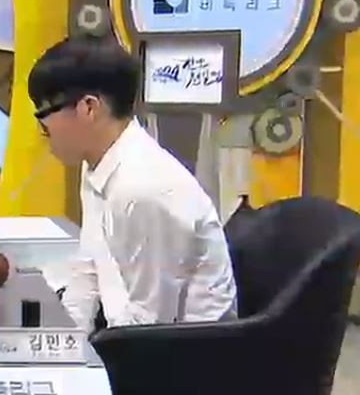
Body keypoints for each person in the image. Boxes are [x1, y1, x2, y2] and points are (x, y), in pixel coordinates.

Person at [28, 36, 237, 329]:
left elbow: (152, 324)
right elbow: (88, 268)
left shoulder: (142, 189)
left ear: (88, 108)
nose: (42, 130)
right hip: (127, 331)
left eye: (43, 115)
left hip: (182, 349)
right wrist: (70, 340)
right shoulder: (97, 163)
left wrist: (94, 352)